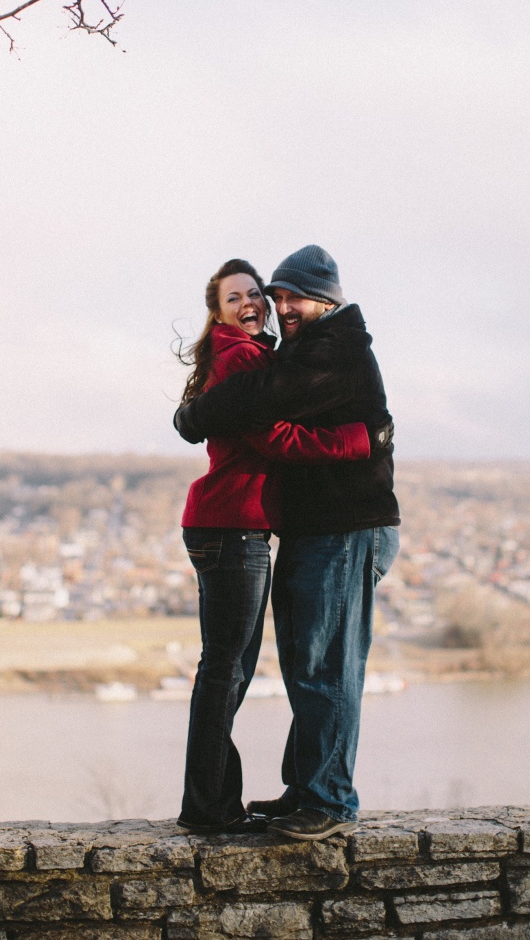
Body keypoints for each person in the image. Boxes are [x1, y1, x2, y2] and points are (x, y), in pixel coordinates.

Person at [175, 245, 400, 841]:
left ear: (325, 298)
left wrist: (195, 415)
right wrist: (193, 415)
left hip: (347, 525)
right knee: (303, 666)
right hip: (305, 527)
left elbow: (266, 408)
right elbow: (259, 400)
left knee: (327, 666)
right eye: (269, 297)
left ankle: (328, 799)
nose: (277, 306)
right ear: (218, 313)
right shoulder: (277, 353)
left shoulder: (335, 345)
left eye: (284, 296)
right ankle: (306, 789)